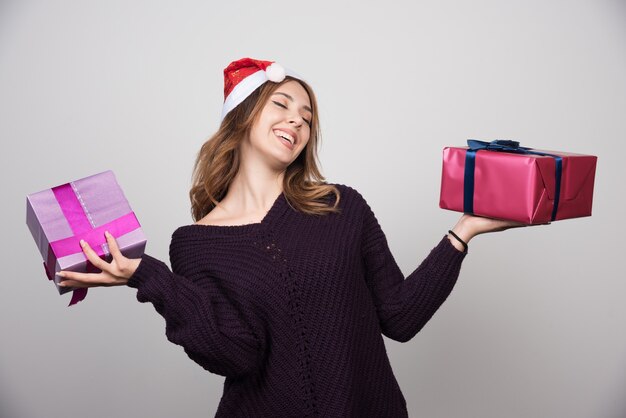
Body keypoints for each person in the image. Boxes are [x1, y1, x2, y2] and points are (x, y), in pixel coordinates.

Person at [57, 57, 525, 417]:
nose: (297, 121)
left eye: (306, 116)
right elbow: (236, 354)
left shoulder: (341, 206)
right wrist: (149, 276)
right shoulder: (195, 243)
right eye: (281, 105)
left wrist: (464, 232)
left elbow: (400, 318)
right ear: (242, 117)